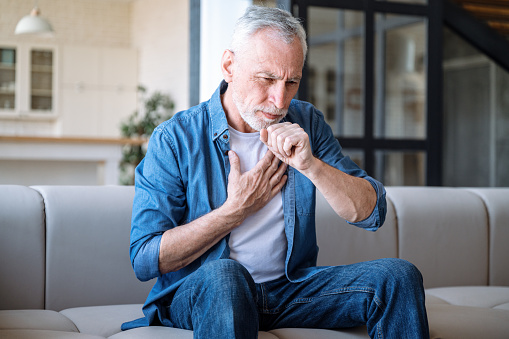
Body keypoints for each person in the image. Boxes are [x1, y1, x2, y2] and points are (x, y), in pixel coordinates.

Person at [122, 5, 429, 339]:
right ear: (229, 65)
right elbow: (145, 258)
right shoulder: (176, 138)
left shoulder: (306, 122)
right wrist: (233, 211)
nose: (280, 100)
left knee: (398, 276)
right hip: (204, 293)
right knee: (225, 275)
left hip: (289, 290)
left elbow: (371, 213)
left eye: (291, 81)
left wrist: (312, 166)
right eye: (267, 79)